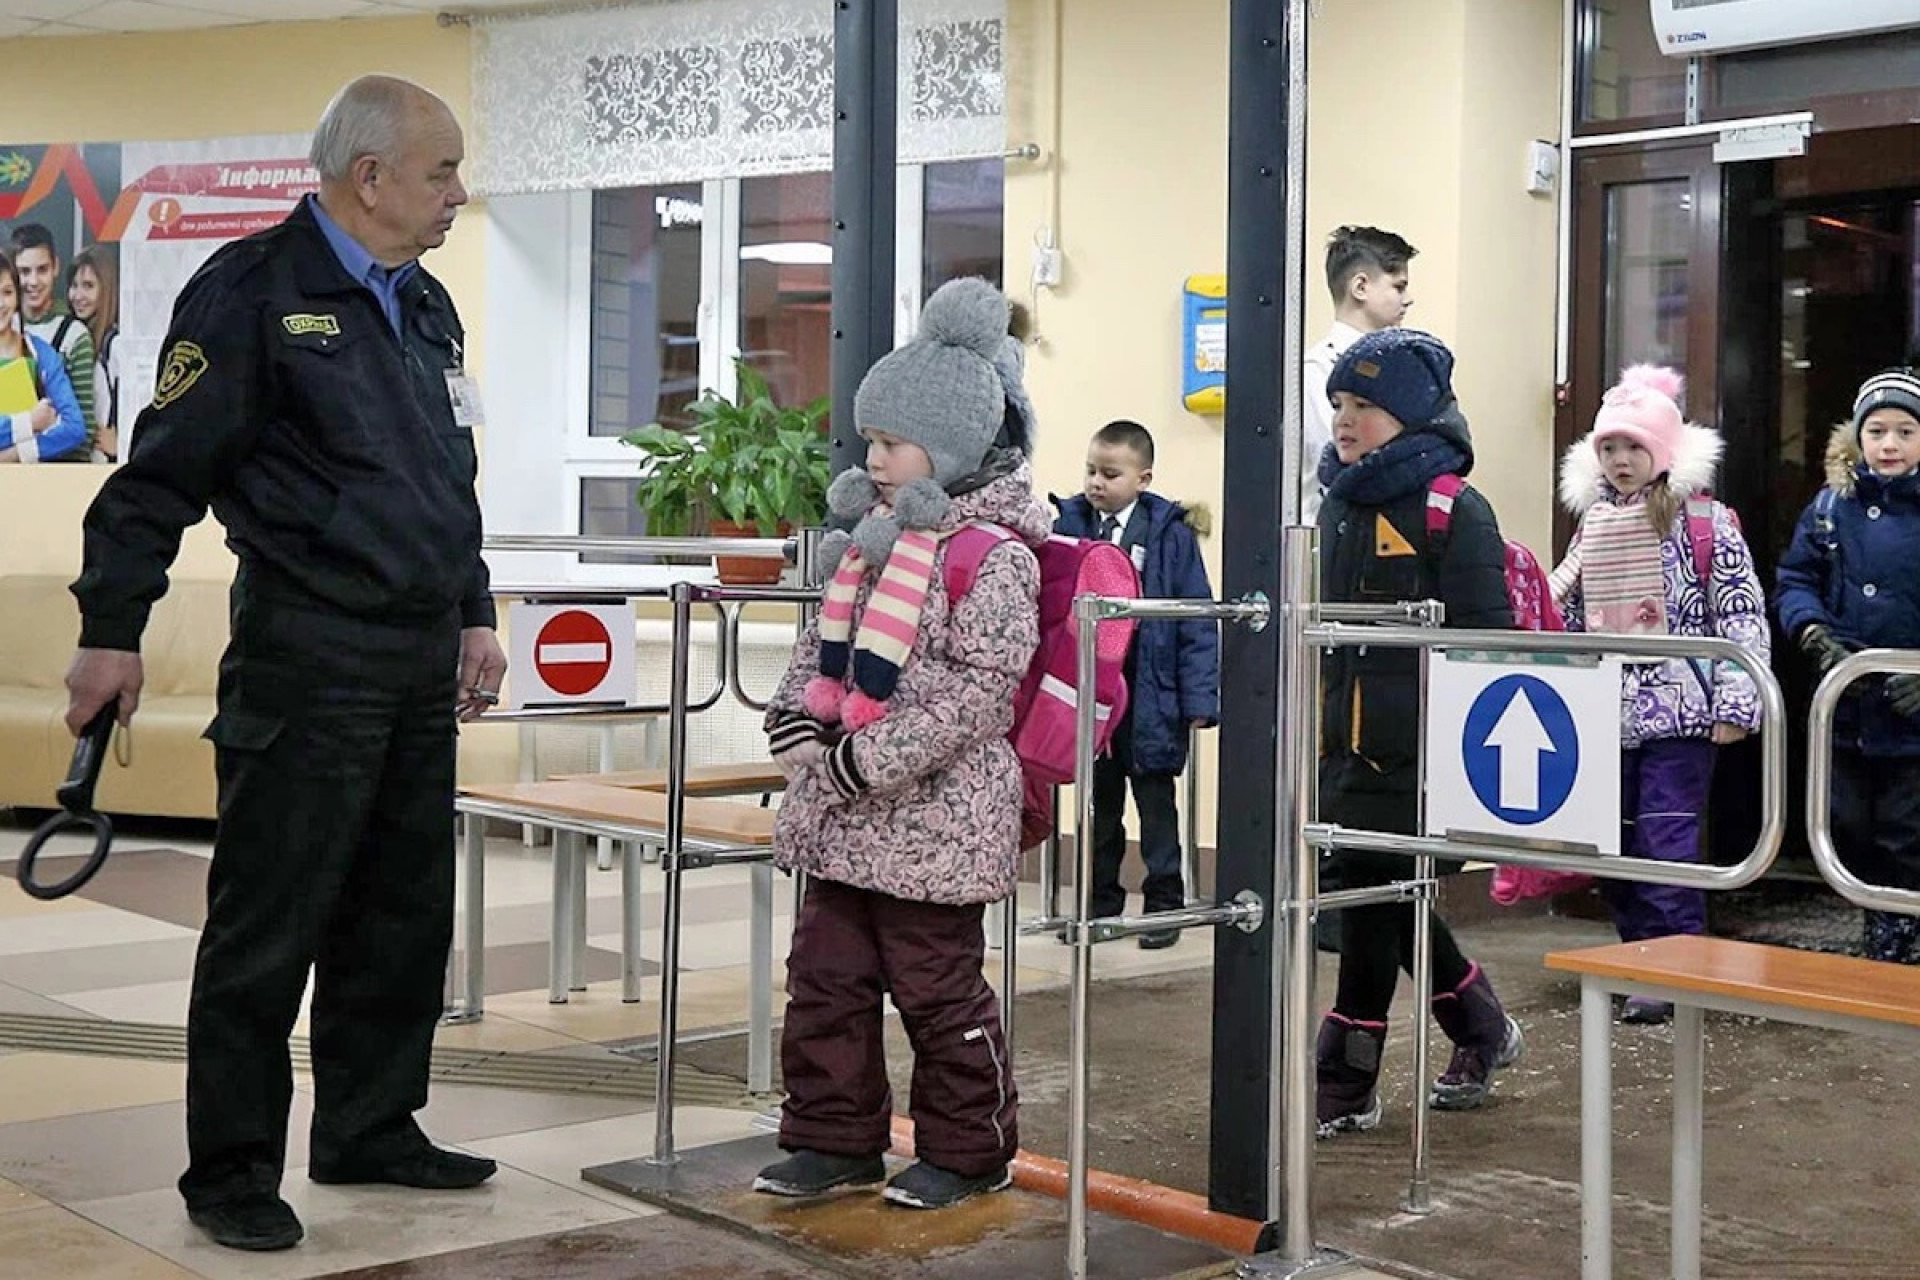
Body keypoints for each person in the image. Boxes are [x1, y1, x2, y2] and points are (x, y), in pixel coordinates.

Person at [62, 75, 503, 1253]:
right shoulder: (252, 293)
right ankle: (234, 1165)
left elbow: (449, 480)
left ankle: (369, 1123)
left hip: (419, 659)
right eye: (442, 170)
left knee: (401, 914)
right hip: (309, 655)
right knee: (272, 922)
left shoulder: (427, 308)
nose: (459, 192)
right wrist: (111, 630)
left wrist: (475, 608)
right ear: (371, 178)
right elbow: (155, 480)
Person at [752, 277, 1043, 1211]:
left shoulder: (992, 557)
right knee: (825, 984)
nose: (871, 458)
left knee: (938, 993)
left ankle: (969, 1149)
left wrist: (860, 761)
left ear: (950, 446)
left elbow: (976, 691)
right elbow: (815, 651)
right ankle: (833, 1138)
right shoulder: (870, 541)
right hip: (845, 820)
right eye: (869, 441)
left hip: (935, 822)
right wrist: (797, 718)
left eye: (889, 442)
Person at [1314, 327, 1524, 1137]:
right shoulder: (1335, 504)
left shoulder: (1452, 507)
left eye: (1366, 404)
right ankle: (1479, 1027)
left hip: (1425, 755)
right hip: (1344, 744)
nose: (1346, 419)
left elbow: (1489, 643)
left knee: (1376, 895)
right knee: (1381, 894)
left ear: (1410, 413)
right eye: (1339, 403)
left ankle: (1351, 1073)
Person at [1550, 366, 1770, 1021]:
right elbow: (1566, 607)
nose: (1620, 461)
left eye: (1634, 447)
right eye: (1609, 449)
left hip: (1680, 712)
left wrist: (1737, 701)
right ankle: (1639, 957)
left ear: (1664, 451)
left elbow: (1739, 615)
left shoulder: (1704, 524)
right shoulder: (1593, 526)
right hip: (1603, 712)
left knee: (1667, 839)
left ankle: (1675, 967)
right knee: (1612, 844)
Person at [1051, 418, 1219, 947]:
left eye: (1111, 473)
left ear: (1143, 478)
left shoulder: (1171, 534)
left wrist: (1199, 698)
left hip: (1152, 698)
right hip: (1093, 696)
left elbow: (1195, 619)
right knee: (1100, 807)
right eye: (1091, 471)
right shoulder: (1070, 523)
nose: (1097, 483)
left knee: (1156, 804)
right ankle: (1101, 902)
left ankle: (1164, 903)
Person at [1777, 368, 1920, 965]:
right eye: (1878, 431)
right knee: (1847, 824)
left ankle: (1904, 935)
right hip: (1846, 706)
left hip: (1911, 715)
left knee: (1906, 832)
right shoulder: (1831, 507)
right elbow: (1795, 578)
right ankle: (1876, 921)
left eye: (1906, 431)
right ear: (1857, 437)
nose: (1889, 445)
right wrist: (1811, 631)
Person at [1301, 225, 1416, 524]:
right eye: (1398, 286)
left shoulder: (1406, 370)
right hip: (1329, 541)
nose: (1408, 299)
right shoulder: (1313, 376)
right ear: (1361, 287)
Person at [9, 222, 95, 446]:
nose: (33, 281)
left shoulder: (75, 336)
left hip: (53, 471)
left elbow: (83, 432)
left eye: (42, 269)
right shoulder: (6, 330)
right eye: (24, 272)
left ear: (56, 266)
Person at [0, 248, 87, 463]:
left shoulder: (40, 353)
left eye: (7, 292)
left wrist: (13, 455)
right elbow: (37, 421)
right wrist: (29, 422)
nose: (0, 303)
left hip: (32, 485)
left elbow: (75, 427)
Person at [68, 245, 119, 462]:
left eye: (88, 286)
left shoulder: (116, 344)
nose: (78, 296)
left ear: (106, 289)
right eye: (74, 286)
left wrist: (122, 443)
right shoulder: (75, 338)